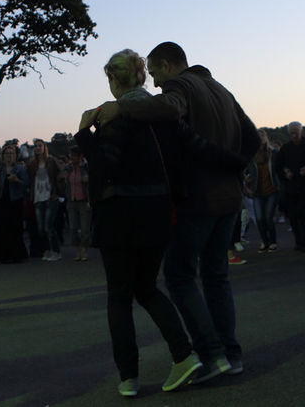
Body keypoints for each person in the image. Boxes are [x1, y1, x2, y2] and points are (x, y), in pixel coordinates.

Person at [94, 41, 260, 383]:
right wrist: (235, 167)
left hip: (197, 196)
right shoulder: (222, 90)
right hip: (229, 198)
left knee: (181, 276)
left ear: (168, 65)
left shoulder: (179, 85)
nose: (153, 83)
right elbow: (253, 137)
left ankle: (211, 355)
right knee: (216, 277)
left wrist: (121, 109)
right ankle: (230, 353)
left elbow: (169, 107)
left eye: (155, 73)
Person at [76, 49, 206, 397]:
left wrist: (83, 135)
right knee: (147, 287)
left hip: (119, 213)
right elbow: (194, 147)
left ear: (115, 79)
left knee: (119, 295)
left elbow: (106, 168)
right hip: (158, 212)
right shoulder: (158, 112)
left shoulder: (114, 115)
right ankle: (183, 353)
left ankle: (129, 376)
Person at [274, 122, 305, 252]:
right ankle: (298, 241)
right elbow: (278, 167)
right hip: (290, 186)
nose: (294, 135)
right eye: (291, 133)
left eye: (296, 132)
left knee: (301, 211)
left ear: (301, 132)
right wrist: (285, 172)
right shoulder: (285, 148)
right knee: (292, 215)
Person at [0, 144, 29, 263]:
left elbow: (26, 184)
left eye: (11, 154)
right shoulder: (0, 169)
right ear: (3, 156)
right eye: (7, 154)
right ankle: (3, 255)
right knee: (1, 228)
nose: (9, 156)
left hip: (15, 201)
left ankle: (17, 255)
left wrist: (17, 180)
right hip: (3, 201)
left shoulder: (19, 169)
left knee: (15, 228)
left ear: (15, 156)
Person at [246, 130, 281, 252]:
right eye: (258, 136)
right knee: (259, 218)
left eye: (262, 136)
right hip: (257, 190)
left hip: (271, 189)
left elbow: (280, 167)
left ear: (266, 138)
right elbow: (245, 170)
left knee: (268, 217)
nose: (260, 138)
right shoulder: (251, 154)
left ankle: (273, 242)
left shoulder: (273, 153)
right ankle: (264, 241)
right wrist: (247, 182)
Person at [28, 139, 63, 261]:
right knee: (41, 228)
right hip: (38, 197)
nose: (38, 148)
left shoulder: (51, 161)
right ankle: (47, 250)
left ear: (44, 147)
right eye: (36, 146)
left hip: (50, 196)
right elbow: (30, 179)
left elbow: (61, 173)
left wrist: (58, 190)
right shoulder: (32, 164)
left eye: (40, 146)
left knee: (49, 226)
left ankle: (56, 251)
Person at [62, 146, 92, 261]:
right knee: (73, 228)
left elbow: (94, 178)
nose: (72, 158)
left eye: (74, 156)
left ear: (80, 157)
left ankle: (84, 250)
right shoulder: (68, 168)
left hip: (84, 201)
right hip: (71, 200)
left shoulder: (86, 168)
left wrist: (88, 178)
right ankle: (77, 249)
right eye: (71, 156)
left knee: (85, 228)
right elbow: (60, 175)